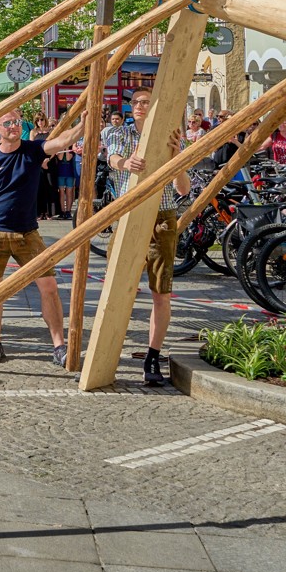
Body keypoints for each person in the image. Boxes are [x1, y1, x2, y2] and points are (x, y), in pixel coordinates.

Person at [0, 108, 77, 365]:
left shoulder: (33, 150)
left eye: (17, 122)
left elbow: (62, 142)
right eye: (7, 123)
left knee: (49, 287)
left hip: (28, 233)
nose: (14, 126)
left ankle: (58, 346)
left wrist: (84, 124)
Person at [105, 89, 191, 386]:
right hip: (129, 213)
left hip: (162, 217)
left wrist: (177, 156)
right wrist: (124, 163)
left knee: (161, 292)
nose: (140, 107)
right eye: (136, 103)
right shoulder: (120, 133)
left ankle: (154, 355)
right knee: (118, 288)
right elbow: (113, 157)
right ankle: (106, 349)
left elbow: (183, 189)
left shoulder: (172, 137)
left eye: (146, 103)